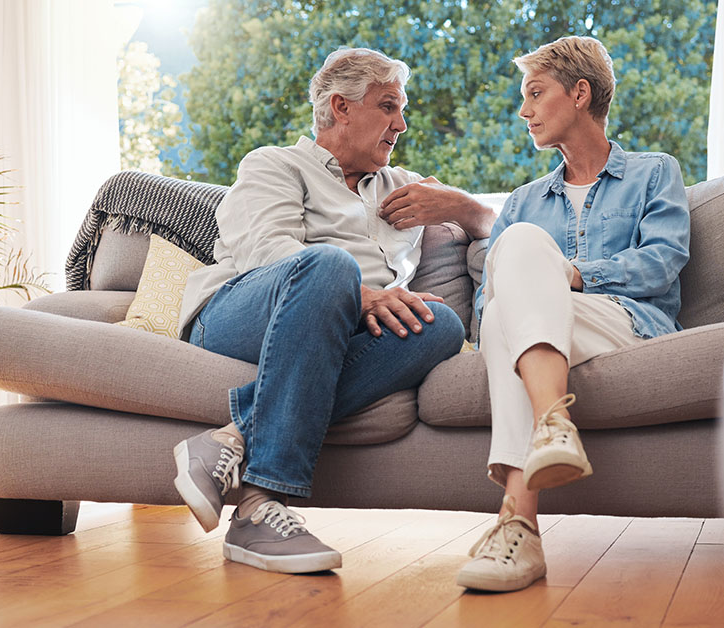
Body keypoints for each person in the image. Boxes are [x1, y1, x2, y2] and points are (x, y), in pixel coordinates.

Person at [173, 48, 479, 574]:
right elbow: (268, 255)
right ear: (340, 107)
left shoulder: (407, 185)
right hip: (239, 314)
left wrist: (463, 208)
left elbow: (505, 223)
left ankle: (233, 438)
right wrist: (364, 296)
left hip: (342, 333)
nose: (400, 125)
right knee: (330, 267)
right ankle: (259, 504)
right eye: (388, 107)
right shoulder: (274, 164)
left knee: (441, 324)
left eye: (401, 111)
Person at [453, 36, 691, 592]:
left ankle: (516, 524)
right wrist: (538, 281)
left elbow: (662, 263)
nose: (524, 110)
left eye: (536, 93)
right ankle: (550, 433)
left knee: (520, 288)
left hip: (622, 321)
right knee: (515, 264)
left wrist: (574, 275)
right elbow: (490, 301)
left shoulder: (655, 173)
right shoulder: (522, 201)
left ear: (580, 93)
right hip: (539, 328)